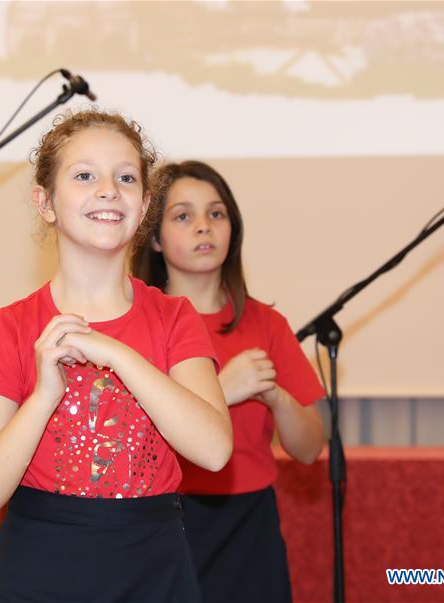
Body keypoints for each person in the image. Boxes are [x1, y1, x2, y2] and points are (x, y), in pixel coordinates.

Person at [0, 111, 233, 603]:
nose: (108, 191)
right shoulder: (11, 327)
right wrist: (42, 398)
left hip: (153, 568)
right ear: (45, 202)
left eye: (125, 178)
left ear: (144, 205)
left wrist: (117, 354)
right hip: (38, 569)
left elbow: (213, 450)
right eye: (85, 176)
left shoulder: (175, 318)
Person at [132, 160, 326, 602]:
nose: (204, 226)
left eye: (216, 214)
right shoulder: (137, 323)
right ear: (155, 238)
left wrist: (276, 397)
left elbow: (309, 448)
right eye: (183, 216)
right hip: (162, 519)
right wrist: (223, 390)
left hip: (250, 524)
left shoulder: (267, 324)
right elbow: (129, 443)